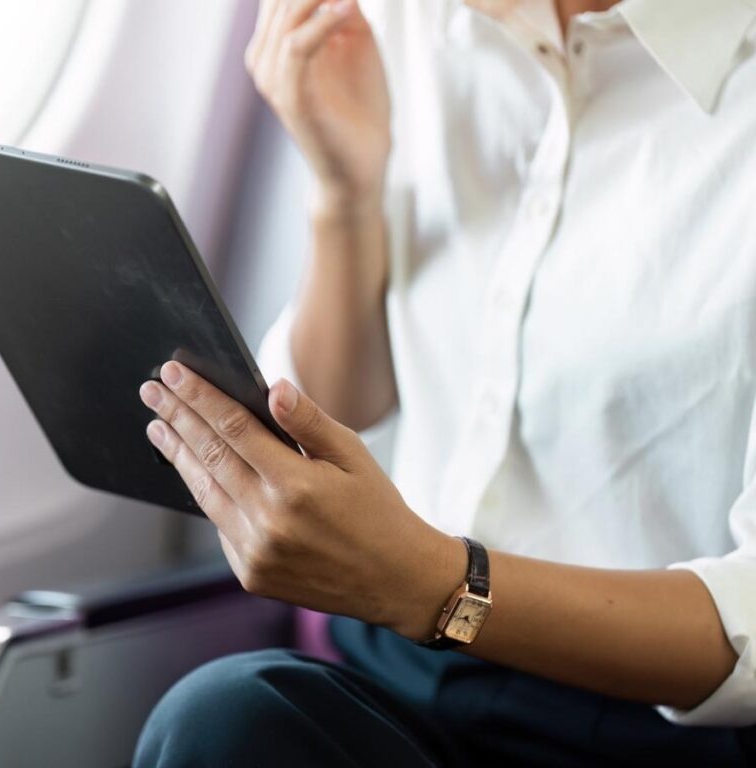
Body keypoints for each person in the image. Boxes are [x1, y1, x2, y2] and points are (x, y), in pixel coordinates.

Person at [133, 0, 756, 764]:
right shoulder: (408, 22)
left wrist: (432, 582)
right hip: (404, 660)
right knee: (225, 721)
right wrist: (345, 195)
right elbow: (342, 408)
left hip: (653, 724)